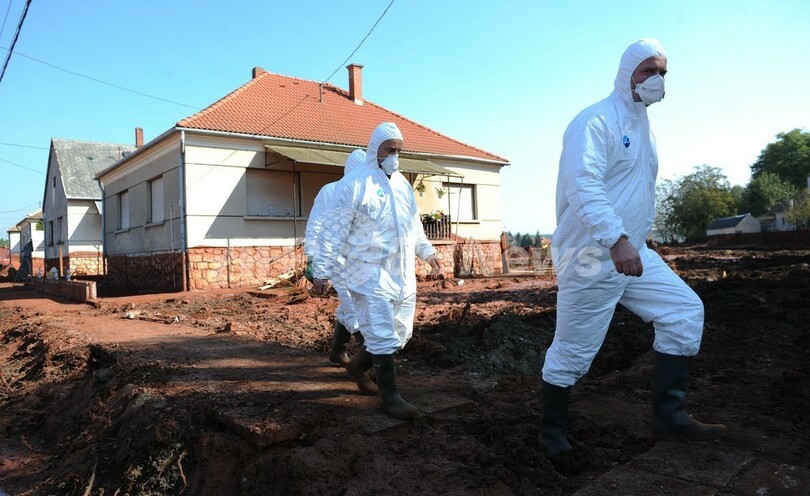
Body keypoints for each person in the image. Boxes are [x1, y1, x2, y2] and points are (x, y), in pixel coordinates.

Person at [540, 38, 727, 454]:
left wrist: (633, 240)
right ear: (627, 73)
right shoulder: (594, 121)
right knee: (574, 351)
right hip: (592, 255)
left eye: (663, 72)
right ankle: (551, 434)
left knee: (683, 311)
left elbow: (633, 191)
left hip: (633, 251)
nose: (657, 79)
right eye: (648, 70)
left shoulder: (644, 128)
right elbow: (583, 185)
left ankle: (669, 417)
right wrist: (616, 239)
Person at [311, 122, 442, 419]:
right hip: (367, 272)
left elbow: (413, 227)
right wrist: (321, 271)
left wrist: (428, 253)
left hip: (402, 273)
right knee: (380, 332)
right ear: (375, 149)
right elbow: (332, 232)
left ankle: (357, 367)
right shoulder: (354, 185)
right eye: (389, 150)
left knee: (399, 333)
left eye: (398, 151)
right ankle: (390, 396)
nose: (395, 156)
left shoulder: (403, 185)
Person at [304, 149, 367, 366]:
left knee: (349, 306)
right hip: (337, 259)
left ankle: (338, 351)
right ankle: (369, 364)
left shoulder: (365, 193)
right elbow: (316, 223)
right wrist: (312, 257)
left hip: (360, 260)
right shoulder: (330, 191)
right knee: (354, 307)